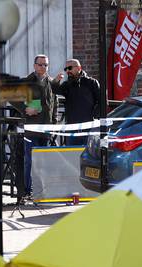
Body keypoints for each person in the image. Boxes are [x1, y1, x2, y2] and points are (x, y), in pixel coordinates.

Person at [12, 54, 57, 197]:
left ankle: (41, 190)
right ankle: (26, 190)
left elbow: (54, 103)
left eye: (46, 65)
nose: (43, 67)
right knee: (30, 161)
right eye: (40, 64)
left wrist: (54, 122)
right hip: (31, 127)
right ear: (34, 65)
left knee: (44, 161)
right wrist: (25, 109)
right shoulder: (27, 81)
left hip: (46, 128)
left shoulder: (51, 81)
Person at [53, 59, 100, 146]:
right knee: (71, 154)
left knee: (89, 153)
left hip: (88, 127)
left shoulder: (91, 82)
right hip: (72, 127)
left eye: (70, 68)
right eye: (66, 69)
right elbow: (55, 90)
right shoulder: (67, 84)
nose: (67, 71)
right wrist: (56, 81)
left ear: (79, 68)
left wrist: (94, 116)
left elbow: (101, 101)